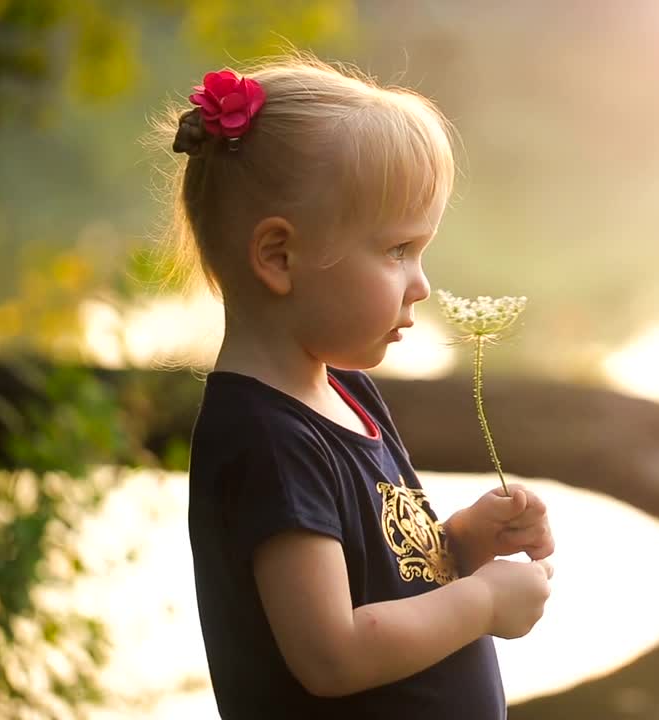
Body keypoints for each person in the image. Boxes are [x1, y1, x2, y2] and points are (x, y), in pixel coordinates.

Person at [154, 55, 556, 719]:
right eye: (398, 250)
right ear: (279, 257)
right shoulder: (269, 442)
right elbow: (332, 654)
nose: (421, 284)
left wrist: (463, 542)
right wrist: (481, 602)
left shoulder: (346, 394)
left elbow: (387, 583)